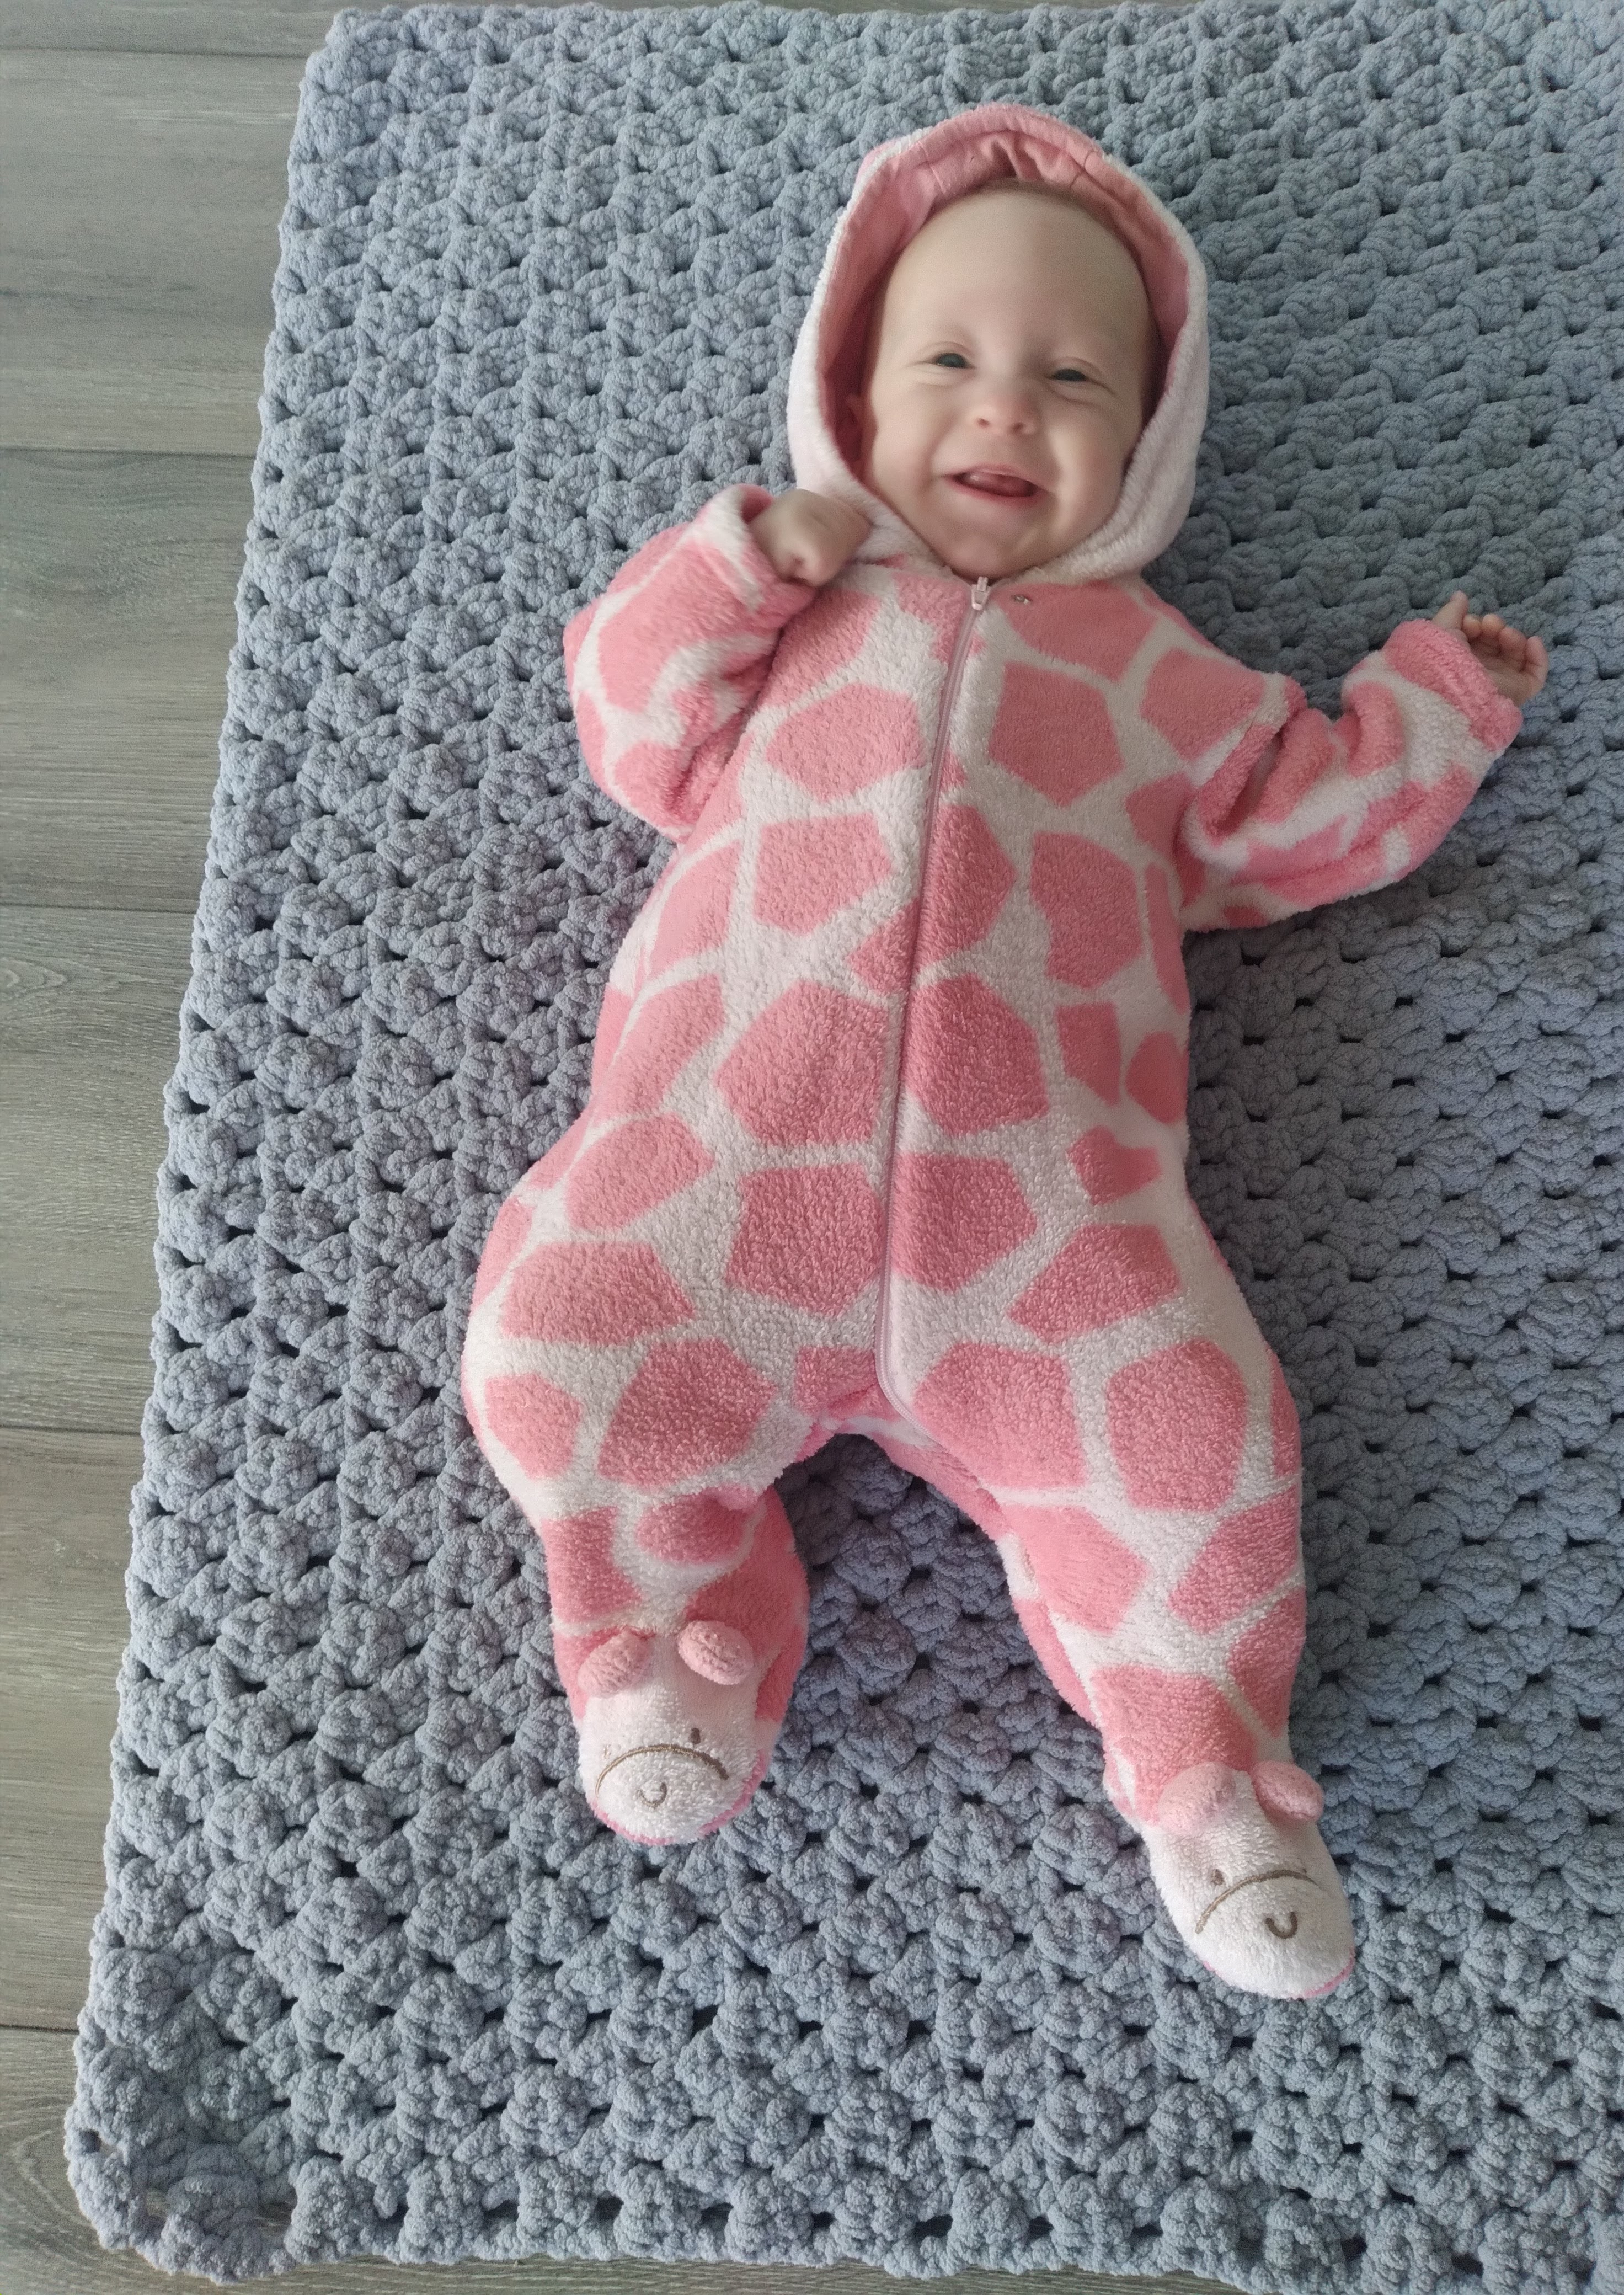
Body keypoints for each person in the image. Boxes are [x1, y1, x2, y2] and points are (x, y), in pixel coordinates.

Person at [459, 102, 1548, 2001]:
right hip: (723, 1174)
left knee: (1203, 1442)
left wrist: (1435, 707)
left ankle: (1208, 1767)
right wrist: (739, 561)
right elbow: (625, 717)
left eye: (1073, 381)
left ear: (1150, 440)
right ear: (849, 399)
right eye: (946, 363)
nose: (1004, 410)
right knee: (557, 1355)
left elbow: (1305, 824)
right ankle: (665, 1640)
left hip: (1048, 1239)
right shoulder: (789, 622)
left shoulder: (1165, 677)